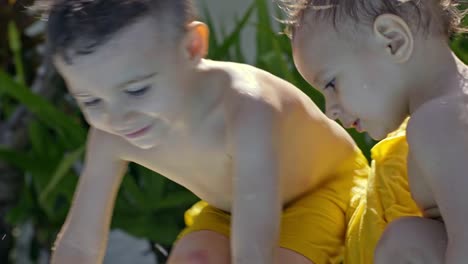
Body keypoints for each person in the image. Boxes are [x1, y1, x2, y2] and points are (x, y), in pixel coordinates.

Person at [35, 0, 369, 263]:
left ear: (192, 47)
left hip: (327, 190)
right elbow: (80, 243)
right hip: (234, 208)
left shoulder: (247, 109)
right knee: (193, 260)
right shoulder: (110, 134)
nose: (117, 116)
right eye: (90, 101)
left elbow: (254, 253)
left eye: (137, 90)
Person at [277, 0, 468, 263]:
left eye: (331, 84)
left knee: (404, 242)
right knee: (408, 237)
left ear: (393, 40)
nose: (330, 110)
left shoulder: (439, 121)